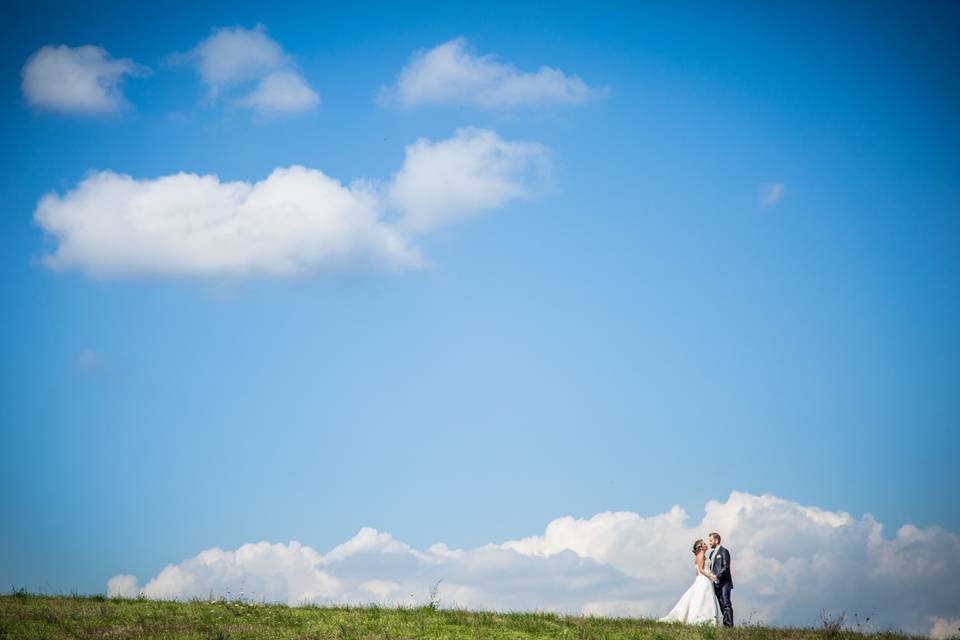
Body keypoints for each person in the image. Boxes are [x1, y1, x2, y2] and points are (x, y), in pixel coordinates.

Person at [658, 539, 722, 625]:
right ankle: (702, 618)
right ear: (700, 548)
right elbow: (701, 569)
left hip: (702, 579)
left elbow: (697, 572)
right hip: (704, 579)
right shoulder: (701, 555)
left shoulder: (700, 556)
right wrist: (710, 576)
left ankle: (706, 618)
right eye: (704, 544)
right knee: (703, 598)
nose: (706, 545)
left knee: (703, 597)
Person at [706, 532, 733, 627]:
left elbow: (726, 567)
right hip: (715, 583)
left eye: (710, 540)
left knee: (726, 604)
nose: (709, 542)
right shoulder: (711, 553)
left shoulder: (724, 551)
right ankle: (726, 624)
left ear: (716, 540)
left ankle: (729, 625)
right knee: (721, 605)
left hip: (724, 583)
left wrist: (717, 576)